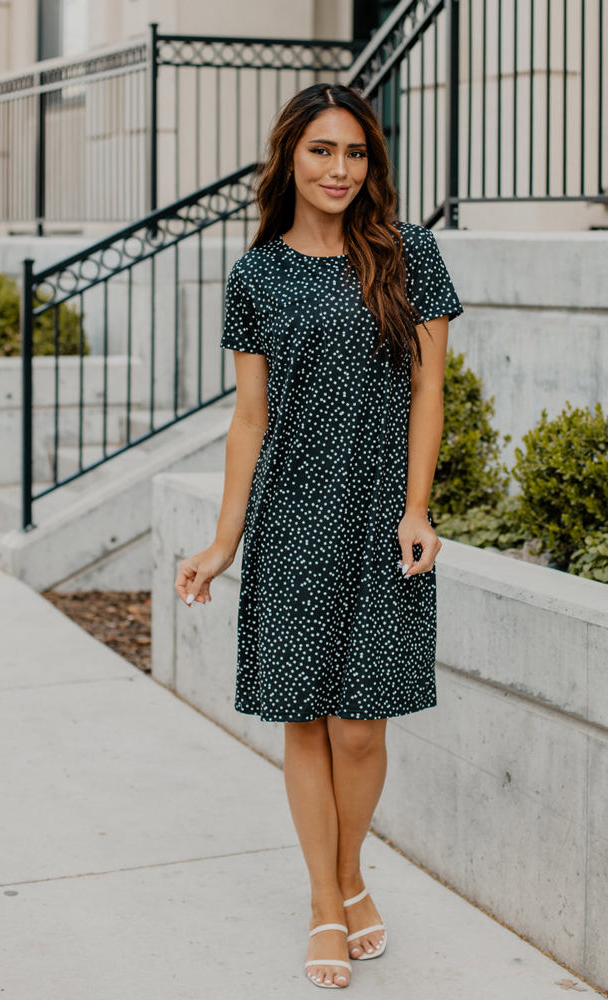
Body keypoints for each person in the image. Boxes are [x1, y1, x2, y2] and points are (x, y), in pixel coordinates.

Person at [174, 82, 463, 989]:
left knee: (362, 727)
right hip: (292, 520)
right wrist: (223, 541)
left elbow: (429, 392)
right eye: (322, 152)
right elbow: (249, 418)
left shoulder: (409, 254)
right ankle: (327, 903)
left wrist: (416, 509)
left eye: (356, 153)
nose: (341, 169)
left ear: (370, 163)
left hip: (382, 520)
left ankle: (346, 874)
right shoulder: (255, 274)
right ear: (289, 159)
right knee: (306, 720)